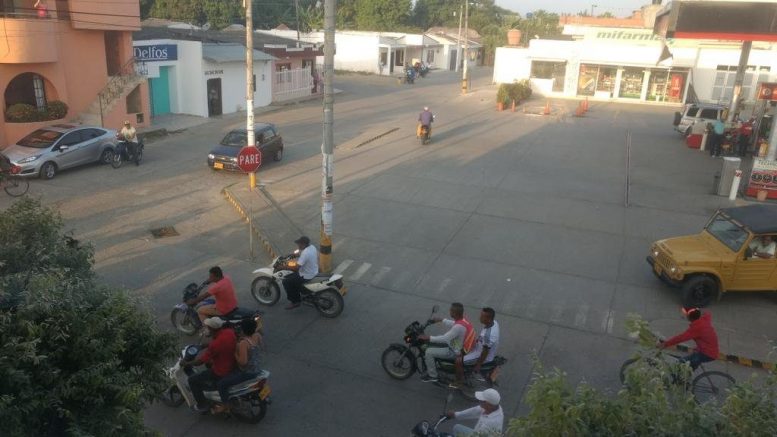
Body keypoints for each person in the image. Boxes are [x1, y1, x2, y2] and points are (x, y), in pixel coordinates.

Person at [185, 317, 237, 412]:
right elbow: (221, 342)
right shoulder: (229, 332)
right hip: (231, 364)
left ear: (212, 329)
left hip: (221, 371)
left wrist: (186, 363)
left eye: (207, 327)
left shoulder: (215, 345)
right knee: (209, 365)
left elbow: (200, 362)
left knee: (192, 380)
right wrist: (204, 345)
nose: (205, 329)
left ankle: (202, 405)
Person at [418, 302, 476, 383]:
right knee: (436, 341)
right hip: (458, 344)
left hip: (455, 351)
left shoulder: (458, 327)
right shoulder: (463, 320)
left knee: (428, 352)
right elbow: (454, 323)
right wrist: (442, 320)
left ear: (454, 313)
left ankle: (432, 375)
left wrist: (428, 338)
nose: (449, 312)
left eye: (451, 311)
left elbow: (445, 338)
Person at [214, 318, 264, 411]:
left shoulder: (243, 343)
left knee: (221, 384)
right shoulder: (257, 336)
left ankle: (226, 405)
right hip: (257, 368)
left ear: (243, 330)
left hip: (247, 372)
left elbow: (243, 362)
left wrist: (235, 353)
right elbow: (261, 348)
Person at [659, 306, 719, 371]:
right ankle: (688, 373)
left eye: (687, 315)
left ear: (691, 318)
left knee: (681, 363)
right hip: (708, 350)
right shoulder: (703, 320)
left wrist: (665, 344)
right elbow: (707, 313)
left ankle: (684, 378)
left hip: (707, 354)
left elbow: (680, 338)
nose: (686, 316)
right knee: (690, 365)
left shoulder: (697, 327)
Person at [452, 307, 500, 387]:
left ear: (488, 319)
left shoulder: (488, 335)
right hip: (479, 347)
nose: (479, 318)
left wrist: (478, 364)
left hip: (481, 354)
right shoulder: (494, 322)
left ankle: (459, 381)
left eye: (482, 316)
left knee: (458, 361)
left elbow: (485, 352)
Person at [283, 236, 318, 310]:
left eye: (299, 244)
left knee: (286, 281)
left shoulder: (305, 253)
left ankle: (295, 301)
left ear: (304, 244)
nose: (298, 246)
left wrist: (284, 267)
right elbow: (300, 254)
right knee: (293, 277)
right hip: (314, 270)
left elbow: (296, 267)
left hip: (306, 275)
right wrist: (293, 255)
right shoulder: (312, 247)